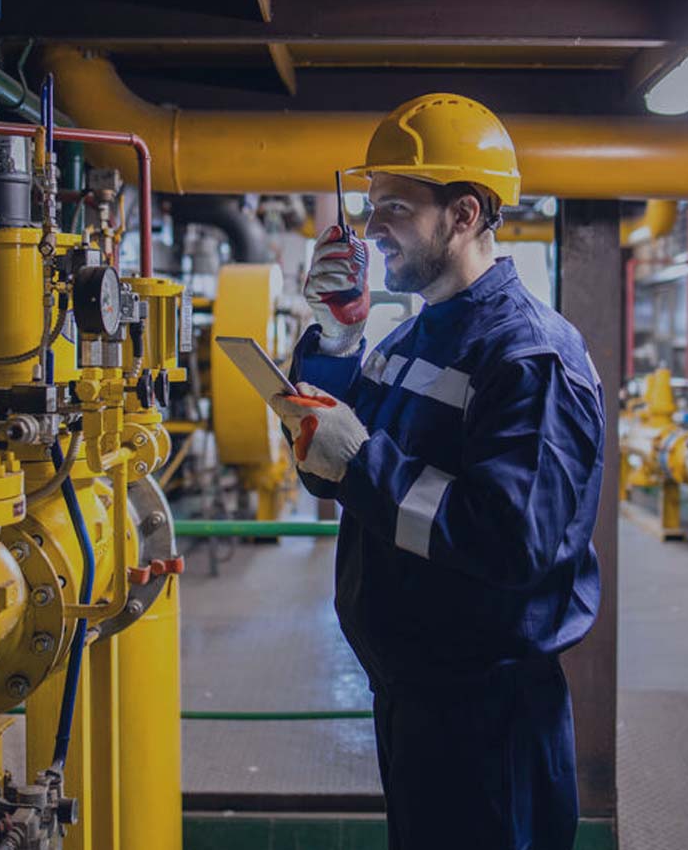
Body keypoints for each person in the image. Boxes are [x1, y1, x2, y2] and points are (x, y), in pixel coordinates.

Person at [270, 93, 605, 850]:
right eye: (369, 203)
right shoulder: (415, 334)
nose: (369, 225)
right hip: (416, 696)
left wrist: (362, 460)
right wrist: (336, 334)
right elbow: (330, 470)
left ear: (464, 214)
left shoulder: (529, 359)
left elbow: (511, 541)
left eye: (393, 205)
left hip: (489, 719)